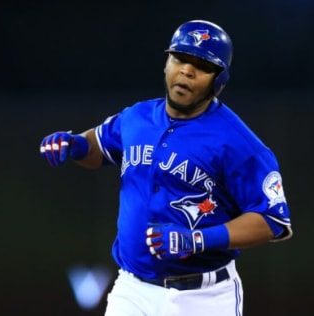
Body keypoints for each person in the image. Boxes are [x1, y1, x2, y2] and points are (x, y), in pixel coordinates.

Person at [39, 19, 293, 316]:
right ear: (166, 63)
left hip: (205, 298)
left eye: (201, 65)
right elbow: (96, 148)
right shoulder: (137, 117)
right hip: (133, 290)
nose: (186, 70)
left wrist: (198, 239)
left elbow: (272, 220)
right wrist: (73, 145)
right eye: (180, 58)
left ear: (218, 80)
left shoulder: (239, 143)